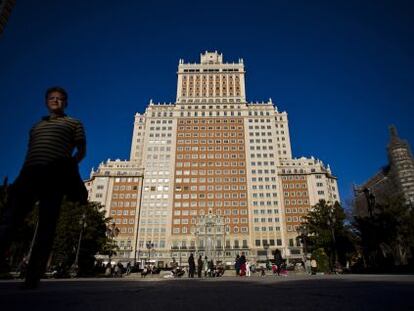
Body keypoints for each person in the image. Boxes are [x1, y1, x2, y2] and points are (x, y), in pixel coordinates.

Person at [0, 87, 87, 289]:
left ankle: (33, 277)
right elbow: (31, 153)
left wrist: (69, 166)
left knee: (47, 225)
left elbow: (81, 150)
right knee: (9, 221)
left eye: (60, 98)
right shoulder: (37, 126)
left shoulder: (74, 123)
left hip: (54, 176)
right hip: (29, 174)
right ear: (47, 101)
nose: (55, 101)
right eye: (52, 98)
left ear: (66, 102)